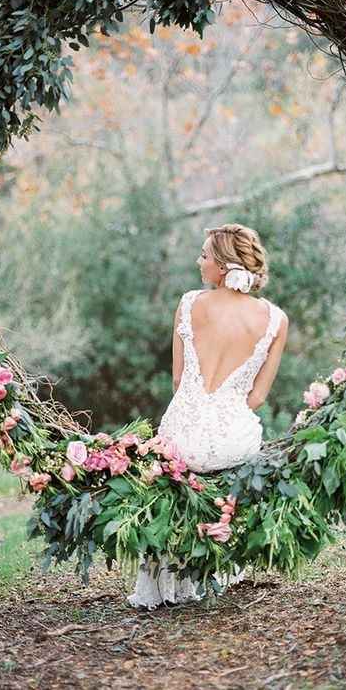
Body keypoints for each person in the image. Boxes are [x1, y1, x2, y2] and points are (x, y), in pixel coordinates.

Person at [127, 223, 289, 610]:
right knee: (239, 450)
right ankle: (218, 567)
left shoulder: (188, 303)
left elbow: (180, 379)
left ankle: (167, 584)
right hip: (233, 437)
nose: (198, 262)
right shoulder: (275, 319)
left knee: (171, 456)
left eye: (203, 255)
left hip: (184, 433)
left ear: (221, 265)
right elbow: (259, 397)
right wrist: (226, 411)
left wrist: (199, 408)